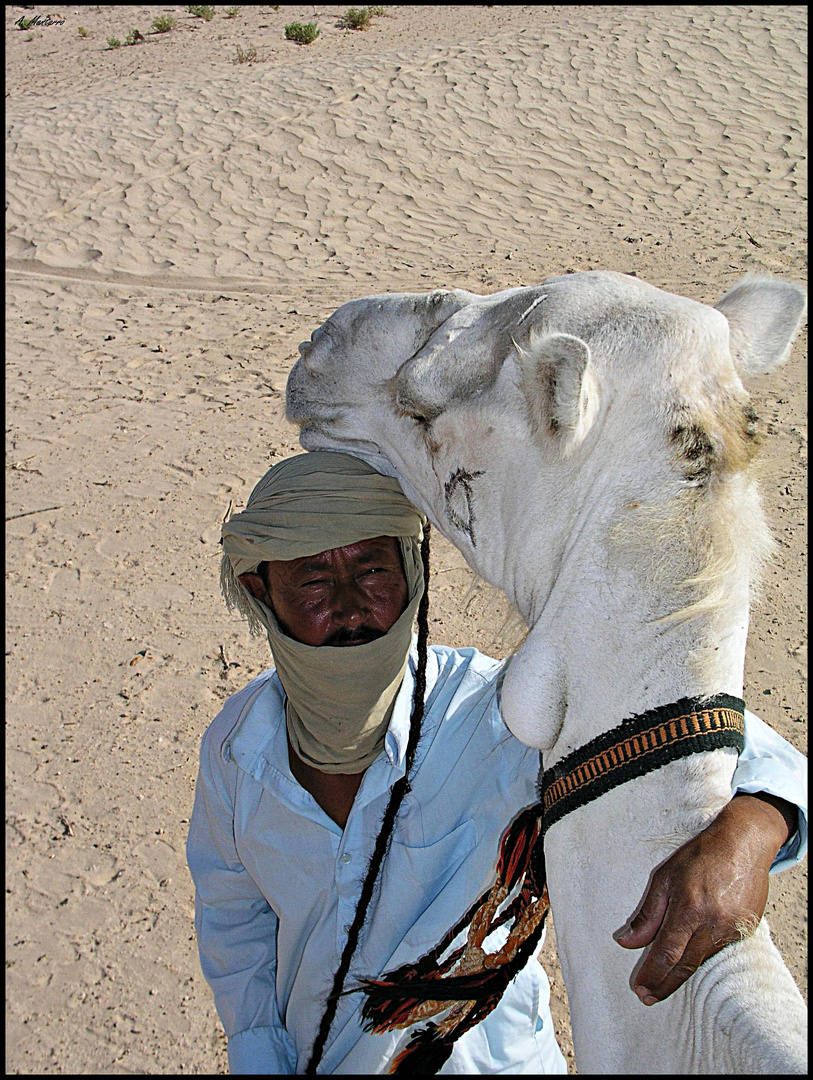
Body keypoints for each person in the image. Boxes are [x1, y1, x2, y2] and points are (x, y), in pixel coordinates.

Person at [187, 452, 807, 1075]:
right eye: (314, 581)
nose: (350, 607)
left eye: (372, 571)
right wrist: (259, 1054)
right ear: (260, 591)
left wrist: (751, 828)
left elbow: (716, 738)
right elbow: (236, 923)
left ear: (413, 570)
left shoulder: (500, 715)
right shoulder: (238, 754)